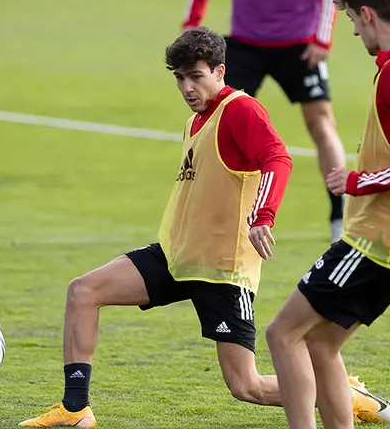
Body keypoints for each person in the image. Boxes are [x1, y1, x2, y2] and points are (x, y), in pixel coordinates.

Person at [18, 26, 293, 428]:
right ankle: (75, 409)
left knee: (246, 386)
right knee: (83, 291)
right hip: (176, 257)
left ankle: (340, 391)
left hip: (221, 270)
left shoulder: (240, 110)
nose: (187, 86)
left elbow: (277, 158)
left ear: (219, 71)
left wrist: (263, 217)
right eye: (180, 77)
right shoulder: (194, 122)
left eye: (195, 75)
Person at [264, 0, 390, 427]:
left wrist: (360, 182)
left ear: (369, 13)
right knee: (321, 346)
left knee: (282, 334)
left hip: (376, 241)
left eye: (353, 18)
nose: (353, 31)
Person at [182, 0, 349, 242]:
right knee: (215, 120)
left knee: (321, 123)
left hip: (300, 44)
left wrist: (323, 38)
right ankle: (208, 212)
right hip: (245, 43)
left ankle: (339, 215)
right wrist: (192, 21)